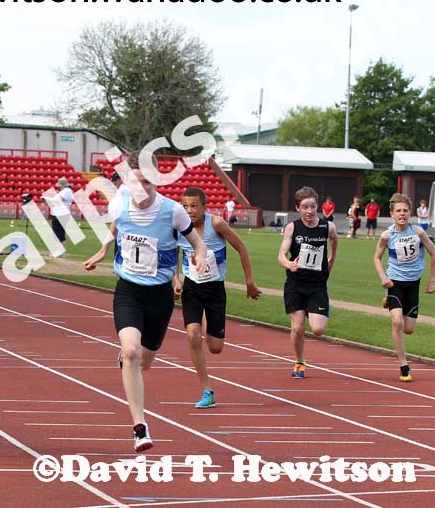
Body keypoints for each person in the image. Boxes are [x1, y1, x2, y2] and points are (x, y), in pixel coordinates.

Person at [84, 151, 207, 452]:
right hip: (128, 290)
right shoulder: (119, 204)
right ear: (128, 181)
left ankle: (131, 360)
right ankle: (140, 427)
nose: (141, 188)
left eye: (148, 182)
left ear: (156, 182)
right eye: (136, 181)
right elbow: (117, 228)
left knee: (146, 361)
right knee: (131, 352)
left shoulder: (172, 211)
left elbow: (198, 243)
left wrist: (200, 259)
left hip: (160, 295)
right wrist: (103, 251)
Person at [179, 188, 262, 409]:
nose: (189, 210)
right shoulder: (178, 227)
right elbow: (171, 254)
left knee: (215, 347)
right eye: (185, 206)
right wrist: (175, 280)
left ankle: (207, 323)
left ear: (204, 207)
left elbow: (241, 248)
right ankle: (207, 389)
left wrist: (249, 282)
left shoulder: (215, 224)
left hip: (215, 289)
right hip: (192, 288)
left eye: (194, 205)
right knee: (192, 336)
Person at [373, 193, 435, 382]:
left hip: (413, 283)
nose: (402, 214)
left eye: (405, 210)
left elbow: (434, 253)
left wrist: (432, 280)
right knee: (397, 322)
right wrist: (383, 277)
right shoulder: (387, 235)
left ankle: (392, 304)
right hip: (394, 282)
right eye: (398, 211)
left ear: (410, 213)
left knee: (408, 328)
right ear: (392, 214)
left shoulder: (418, 232)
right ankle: (404, 366)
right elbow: (376, 257)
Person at [278, 186, 338, 379]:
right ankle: (299, 361)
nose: (309, 211)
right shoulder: (292, 227)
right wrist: (289, 264)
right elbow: (281, 255)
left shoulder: (327, 227)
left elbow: (334, 241)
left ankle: (312, 312)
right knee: (297, 327)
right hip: (295, 283)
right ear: (298, 208)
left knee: (318, 329)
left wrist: (331, 260)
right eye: (305, 207)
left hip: (317, 285)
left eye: (312, 206)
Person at [43, 177, 74, 258]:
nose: (58, 187)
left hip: (61, 214)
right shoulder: (63, 192)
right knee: (59, 233)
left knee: (57, 233)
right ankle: (60, 252)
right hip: (58, 214)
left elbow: (58, 201)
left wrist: (47, 199)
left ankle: (59, 252)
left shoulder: (66, 191)